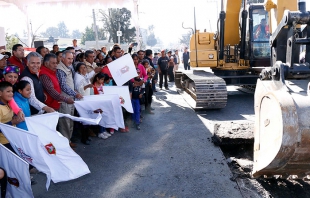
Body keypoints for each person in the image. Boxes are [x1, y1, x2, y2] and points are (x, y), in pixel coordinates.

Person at [57, 50, 83, 147]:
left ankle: (68, 141)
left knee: (70, 121)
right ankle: (65, 145)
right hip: (64, 100)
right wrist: (75, 94)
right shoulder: (60, 69)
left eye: (72, 58)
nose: (71, 60)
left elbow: (70, 83)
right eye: (68, 58)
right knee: (65, 123)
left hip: (70, 99)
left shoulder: (68, 67)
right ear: (62, 58)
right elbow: (63, 86)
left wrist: (75, 91)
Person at [0, 81, 23, 151]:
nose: (11, 94)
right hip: (4, 142)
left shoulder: (9, 103)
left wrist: (18, 115)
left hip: (13, 137)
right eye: (8, 91)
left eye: (12, 91)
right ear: (0, 93)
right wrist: (12, 122)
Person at [92, 72, 112, 138]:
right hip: (97, 103)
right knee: (100, 117)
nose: (102, 81)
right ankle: (100, 132)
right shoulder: (93, 86)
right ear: (97, 78)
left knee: (104, 116)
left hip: (103, 102)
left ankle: (103, 130)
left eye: (103, 79)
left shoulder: (102, 85)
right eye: (101, 79)